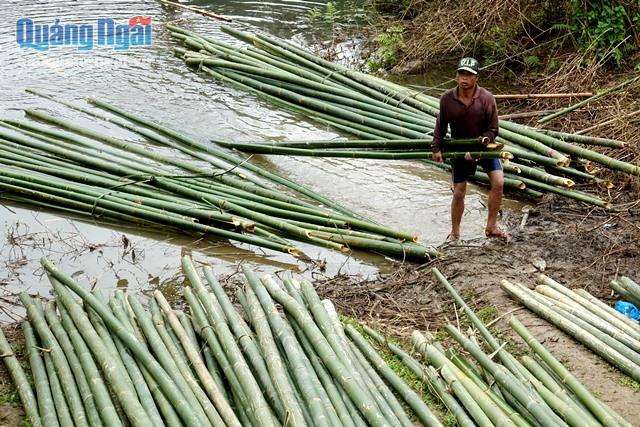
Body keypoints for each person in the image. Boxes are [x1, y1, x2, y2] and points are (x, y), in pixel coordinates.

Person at [431, 57, 507, 241]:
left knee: (498, 182)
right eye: (461, 74)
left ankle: (491, 226)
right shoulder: (447, 99)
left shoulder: (486, 98)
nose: (464, 78)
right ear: (456, 76)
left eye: (469, 75)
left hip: (483, 147)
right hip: (458, 147)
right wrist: (436, 148)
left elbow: (493, 129)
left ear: (476, 77)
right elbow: (441, 125)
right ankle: (455, 232)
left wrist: (481, 142)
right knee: (459, 191)